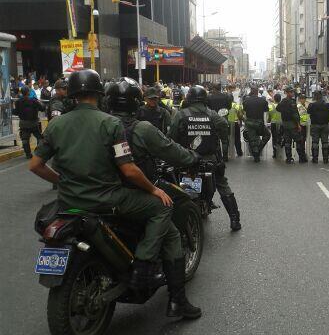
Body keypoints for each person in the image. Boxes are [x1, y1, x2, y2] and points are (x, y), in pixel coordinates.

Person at [29, 69, 201, 318]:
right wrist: (153, 190)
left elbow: (35, 165)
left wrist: (62, 181)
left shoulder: (57, 124)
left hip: (67, 203)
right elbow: (129, 171)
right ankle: (148, 271)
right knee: (163, 206)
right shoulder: (110, 124)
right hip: (107, 200)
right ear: (99, 95)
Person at [170, 85, 241, 231]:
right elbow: (224, 127)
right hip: (210, 160)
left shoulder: (181, 115)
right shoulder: (212, 114)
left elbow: (172, 137)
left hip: (187, 160)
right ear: (204, 99)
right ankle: (234, 220)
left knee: (180, 186)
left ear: (189, 98)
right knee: (222, 184)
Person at [276, 86, 307, 164]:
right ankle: (302, 158)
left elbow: (278, 108)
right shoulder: (292, 102)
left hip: (285, 124)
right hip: (292, 124)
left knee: (287, 142)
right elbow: (295, 115)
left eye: (292, 92)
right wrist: (298, 125)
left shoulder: (283, 101)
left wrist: (284, 111)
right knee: (299, 140)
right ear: (287, 93)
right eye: (291, 92)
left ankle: (289, 158)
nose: (292, 93)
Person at [242, 86, 270, 163]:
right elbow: (266, 110)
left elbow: (244, 110)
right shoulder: (263, 100)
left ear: (251, 91)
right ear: (258, 92)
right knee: (267, 135)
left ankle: (256, 154)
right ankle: (259, 148)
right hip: (259, 123)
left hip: (250, 122)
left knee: (252, 139)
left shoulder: (246, 100)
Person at [15, 86, 44, 158]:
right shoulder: (33, 100)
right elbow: (42, 108)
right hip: (33, 123)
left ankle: (28, 154)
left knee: (25, 139)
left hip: (23, 123)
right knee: (39, 137)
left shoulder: (18, 101)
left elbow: (16, 112)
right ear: (28, 92)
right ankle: (38, 152)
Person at [307, 91, 329, 164]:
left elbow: (308, 112)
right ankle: (325, 159)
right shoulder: (327, 105)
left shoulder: (312, 105)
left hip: (315, 125)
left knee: (315, 142)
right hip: (325, 125)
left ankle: (315, 159)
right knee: (325, 142)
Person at [227, 91, 244, 157]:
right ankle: (239, 152)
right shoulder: (237, 105)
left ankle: (228, 152)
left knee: (227, 138)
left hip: (228, 123)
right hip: (235, 123)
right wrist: (241, 121)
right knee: (237, 139)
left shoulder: (225, 105)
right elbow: (240, 115)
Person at [268, 93, 283, 159]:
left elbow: (269, 116)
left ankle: (275, 153)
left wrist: (269, 120)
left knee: (274, 137)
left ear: (274, 99)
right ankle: (281, 152)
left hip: (273, 123)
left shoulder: (271, 106)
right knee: (281, 137)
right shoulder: (283, 106)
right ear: (280, 99)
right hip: (281, 123)